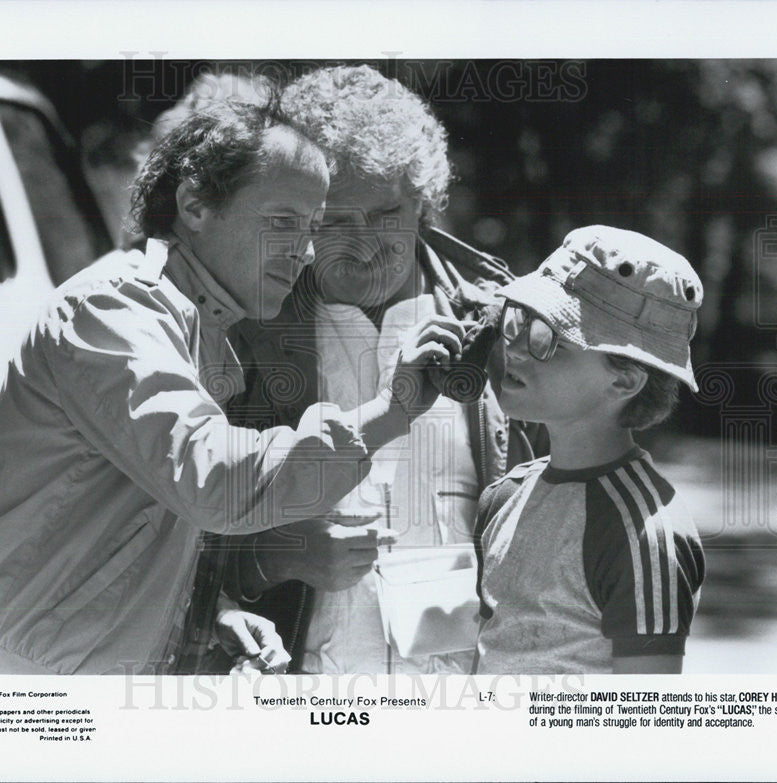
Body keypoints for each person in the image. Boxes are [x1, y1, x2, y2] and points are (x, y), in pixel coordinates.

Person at [0, 95, 467, 675]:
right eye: (284, 221)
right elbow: (212, 478)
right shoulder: (114, 308)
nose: (307, 250)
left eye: (314, 227)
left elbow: (123, 527)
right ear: (194, 204)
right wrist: (388, 414)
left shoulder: (199, 332)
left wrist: (201, 618)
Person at [218, 65, 546, 674]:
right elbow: (169, 533)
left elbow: (557, 529)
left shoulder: (502, 323)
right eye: (336, 221)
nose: (364, 245)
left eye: (386, 214)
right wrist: (271, 557)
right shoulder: (243, 329)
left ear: (423, 201)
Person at [473, 225, 706, 674]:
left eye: (548, 338)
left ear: (624, 379)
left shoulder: (646, 536)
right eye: (518, 320)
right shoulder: (503, 497)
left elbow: (646, 723)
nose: (515, 349)